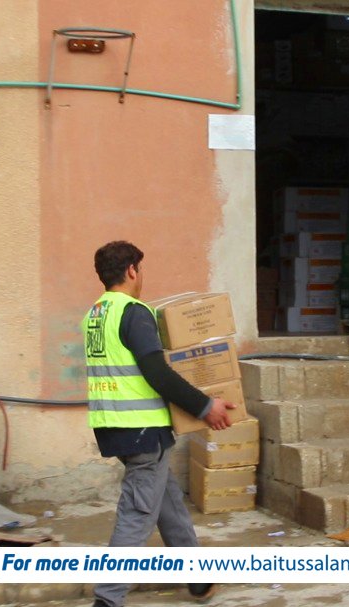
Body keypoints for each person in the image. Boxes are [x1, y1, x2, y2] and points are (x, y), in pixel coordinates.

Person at [83, 241, 236, 607]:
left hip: (114, 425)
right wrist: (205, 406)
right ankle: (107, 598)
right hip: (142, 430)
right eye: (140, 270)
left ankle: (198, 580)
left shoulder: (96, 314)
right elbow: (157, 373)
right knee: (137, 514)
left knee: (167, 502)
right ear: (131, 270)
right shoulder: (134, 312)